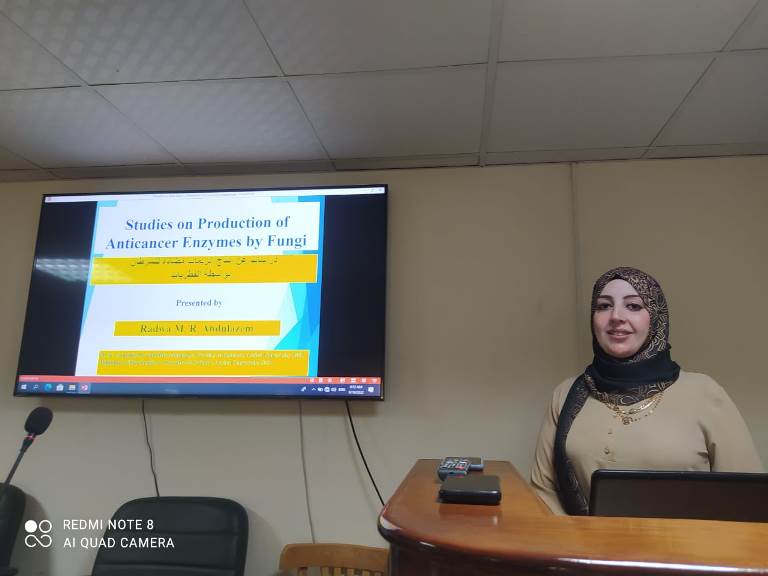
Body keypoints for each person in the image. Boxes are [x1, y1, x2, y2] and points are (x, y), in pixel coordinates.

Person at [530, 266, 763, 515]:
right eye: (604, 306)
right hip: (580, 540)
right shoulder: (567, 393)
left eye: (633, 306)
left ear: (656, 316)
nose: (616, 316)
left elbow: (749, 498)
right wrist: (578, 538)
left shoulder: (705, 393)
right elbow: (543, 493)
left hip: (689, 541)